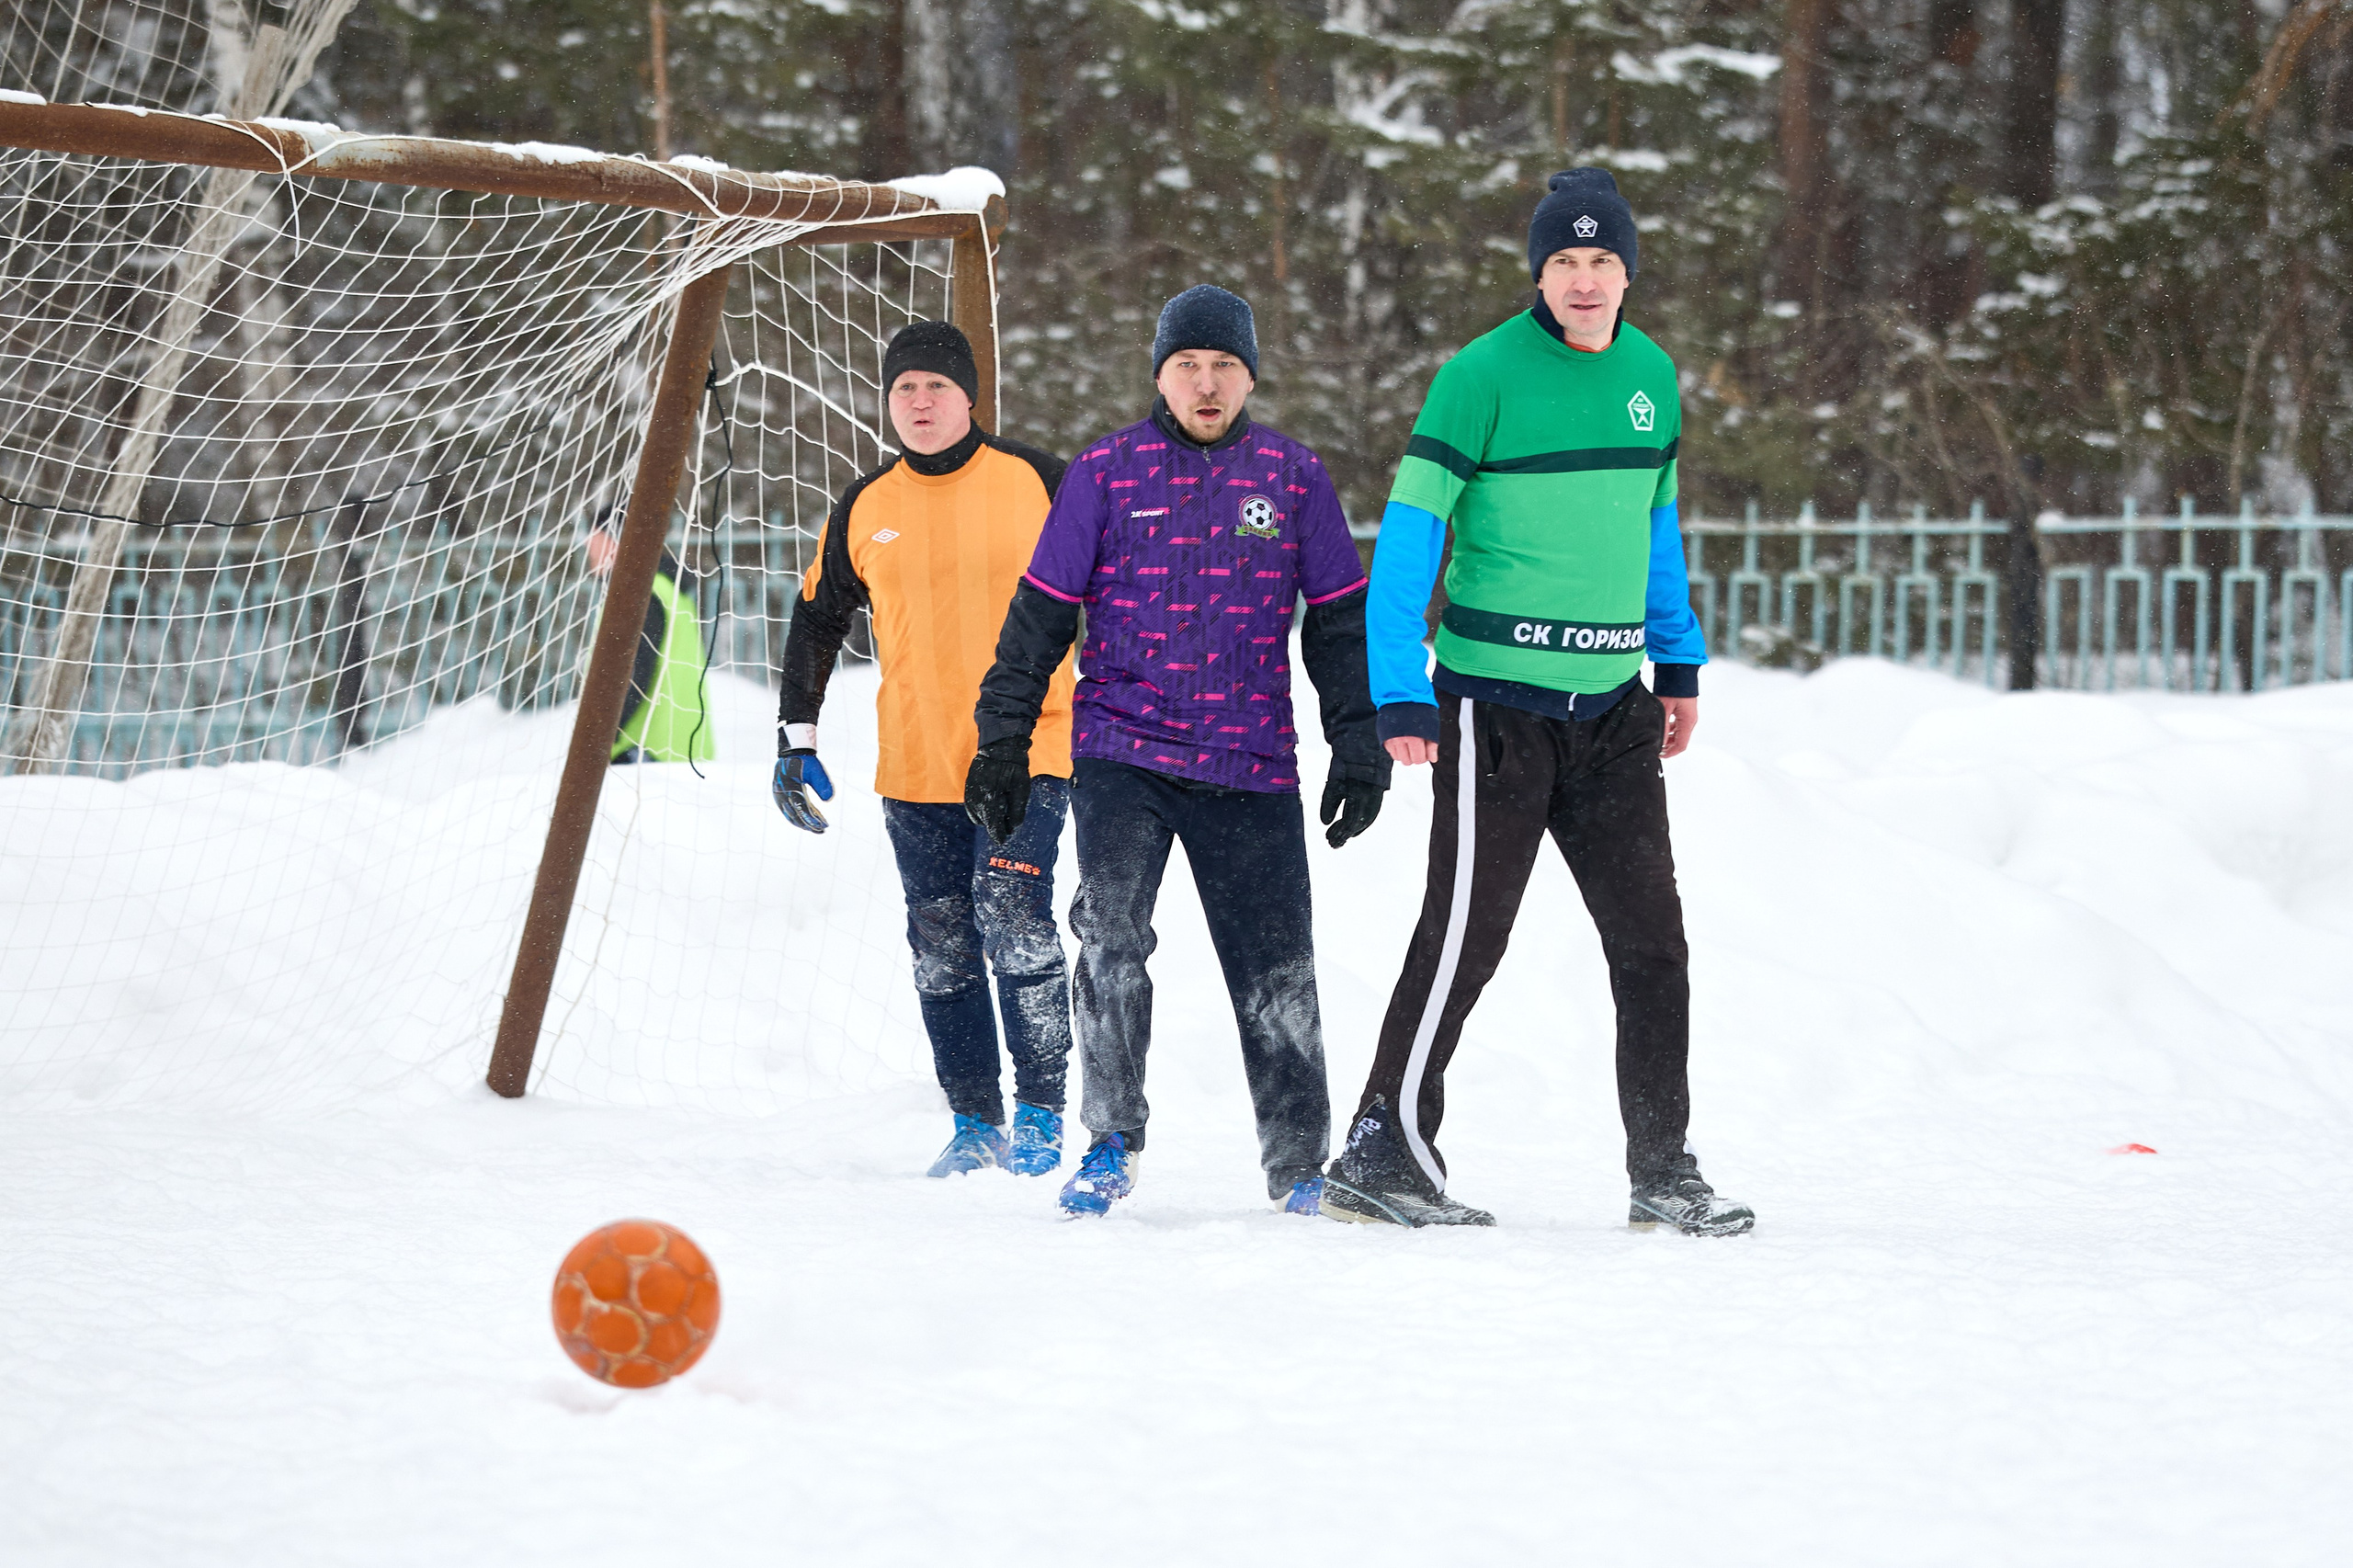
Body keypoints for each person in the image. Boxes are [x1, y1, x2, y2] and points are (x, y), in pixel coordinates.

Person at [1322, 169, 1755, 1235]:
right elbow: (1411, 533)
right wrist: (1400, 687)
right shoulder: (1479, 377)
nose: (1584, 279)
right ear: (1538, 272)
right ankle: (1383, 1145)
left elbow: (1655, 529)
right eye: (1564, 261)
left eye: (1603, 261)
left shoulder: (1651, 376)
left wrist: (1678, 663)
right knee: (1468, 931)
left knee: (1652, 942)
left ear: (1627, 271)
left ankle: (1663, 1166)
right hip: (1496, 706)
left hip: (1612, 708)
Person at [968, 284, 1387, 1219]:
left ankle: (1298, 1165)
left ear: (1249, 376)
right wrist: (1001, 735)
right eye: (1188, 365)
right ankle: (1110, 1139)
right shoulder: (1106, 471)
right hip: (1124, 751)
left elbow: (1338, 625)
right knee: (1110, 939)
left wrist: (1355, 737)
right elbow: (1038, 614)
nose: (1206, 383)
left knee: (1276, 966)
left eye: (1224, 367)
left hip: (1251, 762)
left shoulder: (1292, 476)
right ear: (1160, 373)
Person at [774, 320, 1079, 1179]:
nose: (919, 402)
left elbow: (1120, 589)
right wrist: (796, 734)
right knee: (939, 938)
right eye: (904, 388)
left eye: (936, 387)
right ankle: (974, 1119)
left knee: (1015, 921)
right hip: (913, 761)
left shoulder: (1037, 481)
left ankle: (1043, 1113)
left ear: (969, 396)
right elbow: (817, 616)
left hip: (1030, 749)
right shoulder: (867, 504)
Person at [586, 517, 713, 767]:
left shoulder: (636, 591)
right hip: (683, 747)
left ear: (619, 542)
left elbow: (634, 671)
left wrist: (599, 735)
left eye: (595, 538)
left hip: (643, 752)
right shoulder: (666, 586)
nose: (589, 547)